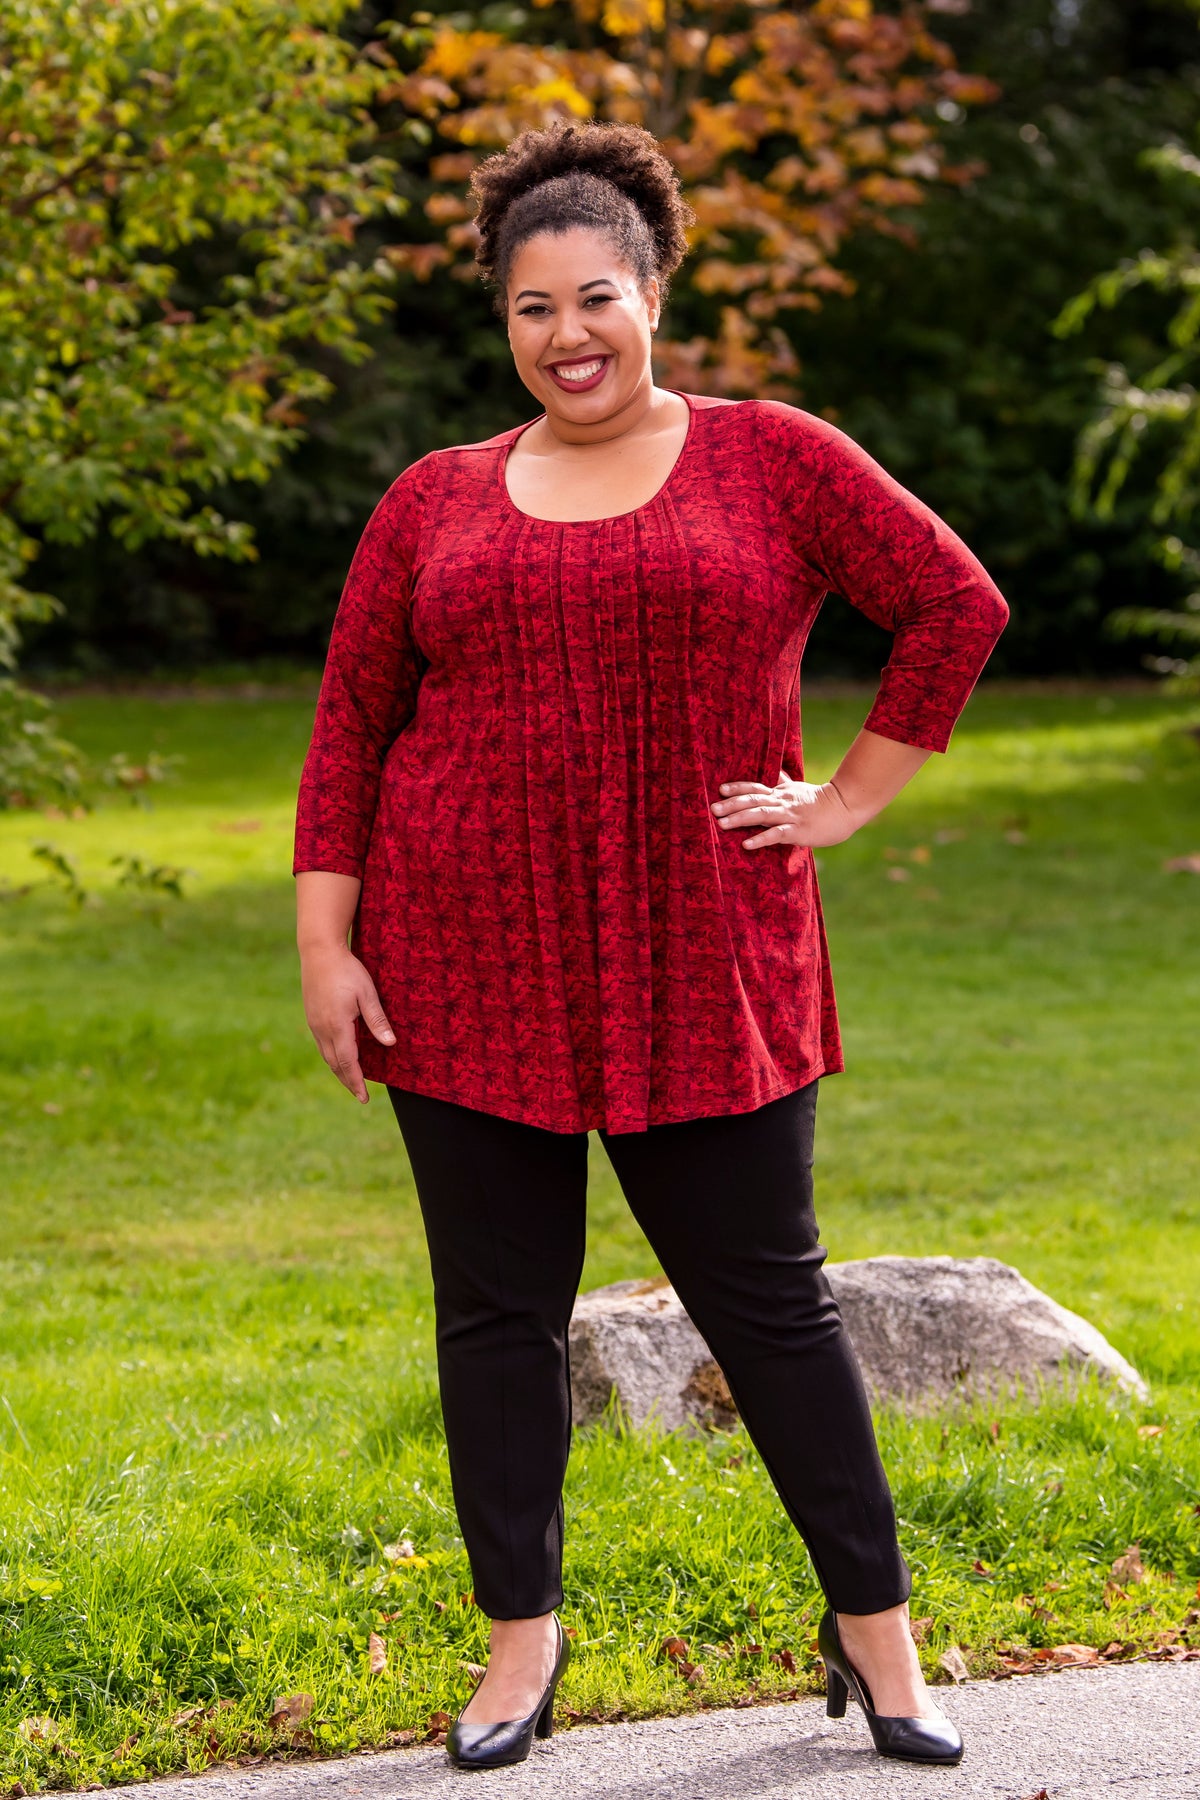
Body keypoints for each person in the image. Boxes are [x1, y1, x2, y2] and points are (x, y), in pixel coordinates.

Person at [293, 119, 1009, 1773]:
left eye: (595, 297)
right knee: (497, 1317)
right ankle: (519, 1650)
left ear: (655, 294)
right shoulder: (431, 499)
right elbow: (350, 728)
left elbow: (955, 604)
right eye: (531, 308)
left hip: (704, 956)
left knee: (772, 1307)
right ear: (503, 320)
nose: (568, 336)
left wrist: (847, 801)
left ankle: (879, 1641)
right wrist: (327, 946)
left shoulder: (772, 459)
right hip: (461, 960)